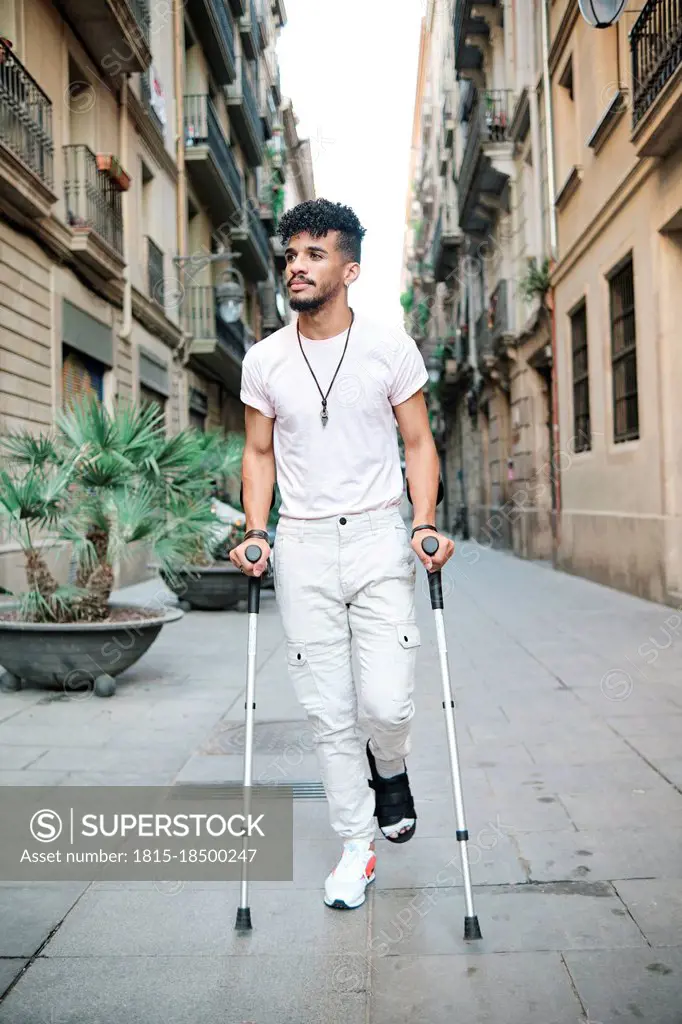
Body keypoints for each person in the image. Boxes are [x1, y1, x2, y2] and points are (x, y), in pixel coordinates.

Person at [231, 198, 454, 910]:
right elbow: (258, 452)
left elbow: (417, 442)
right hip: (299, 544)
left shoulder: (390, 347)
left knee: (386, 705)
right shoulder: (265, 359)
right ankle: (357, 847)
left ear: (349, 269)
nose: (297, 265)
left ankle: (389, 768)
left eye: (315, 254)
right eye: (292, 254)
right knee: (328, 712)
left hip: (377, 540)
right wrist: (257, 529)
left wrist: (423, 521)